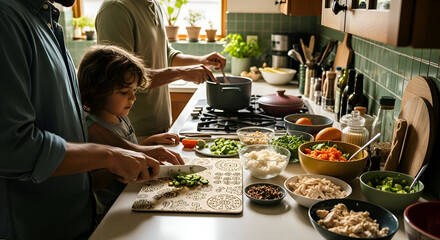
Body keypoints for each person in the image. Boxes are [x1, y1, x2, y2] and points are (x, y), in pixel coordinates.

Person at [0, 0, 183, 239]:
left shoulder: (45, 21)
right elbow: (12, 147)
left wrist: (133, 149)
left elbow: (75, 125)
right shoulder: (7, 20)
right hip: (36, 229)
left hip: (75, 222)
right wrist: (109, 156)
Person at [96, 0, 227, 142]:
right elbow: (123, 77)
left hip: (161, 126)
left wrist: (200, 60)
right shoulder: (115, 9)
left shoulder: (154, 5)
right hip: (132, 132)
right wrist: (182, 73)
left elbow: (166, 54)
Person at [77, 44, 180, 220]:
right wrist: (118, 169)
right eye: (124, 92)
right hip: (110, 212)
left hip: (131, 197)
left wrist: (150, 142)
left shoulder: (120, 115)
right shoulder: (91, 126)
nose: (132, 98)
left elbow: (129, 151)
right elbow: (89, 182)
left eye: (134, 90)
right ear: (98, 91)